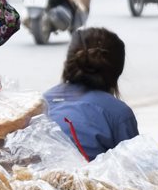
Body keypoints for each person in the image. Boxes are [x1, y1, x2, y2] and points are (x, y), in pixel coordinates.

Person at [44, 27, 138, 159]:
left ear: (68, 62)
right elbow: (134, 166)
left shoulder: (41, 103)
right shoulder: (118, 113)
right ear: (117, 71)